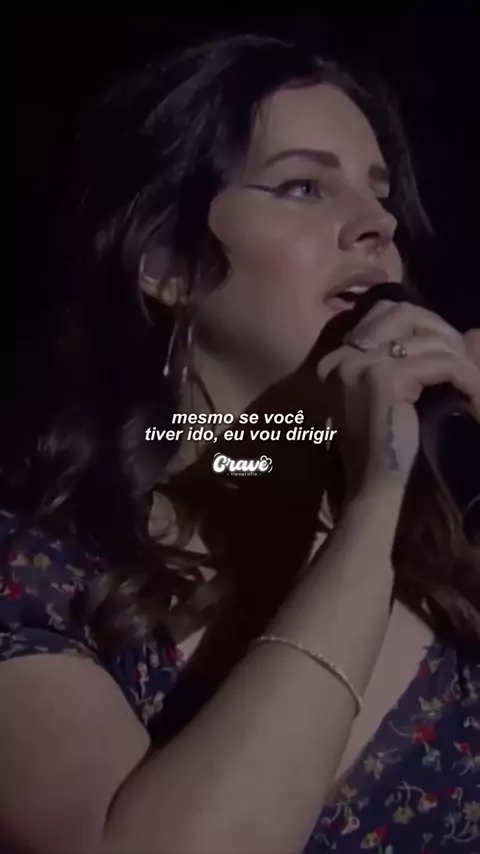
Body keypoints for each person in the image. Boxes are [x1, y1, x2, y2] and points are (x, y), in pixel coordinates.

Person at [1, 32, 479, 854]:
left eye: (380, 195)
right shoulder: (41, 573)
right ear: (169, 264)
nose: (378, 224)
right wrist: (373, 503)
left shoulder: (446, 529)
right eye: (303, 187)